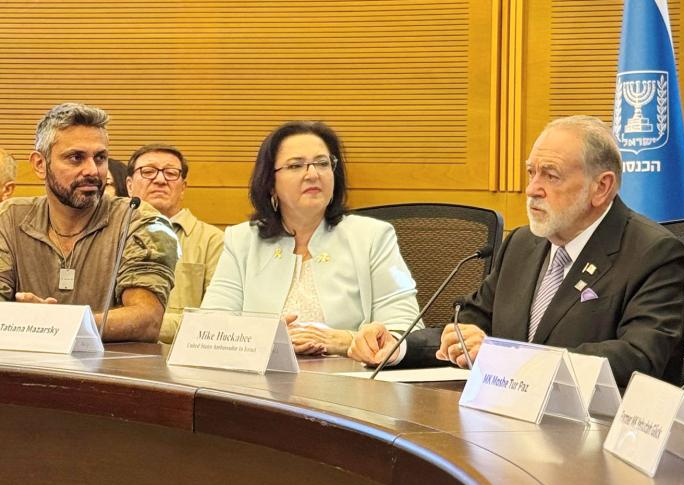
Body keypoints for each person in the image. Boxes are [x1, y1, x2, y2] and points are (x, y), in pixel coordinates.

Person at [349, 115, 684, 387]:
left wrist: (509, 360)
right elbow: (470, 326)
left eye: (550, 176)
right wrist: (398, 347)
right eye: (531, 172)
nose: (531, 189)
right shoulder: (524, 243)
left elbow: (639, 358)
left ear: (601, 187)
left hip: (597, 434)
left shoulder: (651, 252)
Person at [201, 121, 421, 355]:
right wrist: (266, 339)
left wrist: (347, 342)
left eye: (322, 163)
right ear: (270, 184)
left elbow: (407, 329)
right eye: (296, 166)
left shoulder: (372, 237)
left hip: (347, 382)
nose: (313, 174)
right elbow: (209, 329)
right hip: (258, 383)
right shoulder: (242, 240)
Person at [0, 103, 179, 341]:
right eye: (76, 158)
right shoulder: (9, 218)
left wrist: (57, 325)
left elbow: (147, 320)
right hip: (23, 369)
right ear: (40, 164)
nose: (93, 171)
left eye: (100, 157)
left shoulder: (141, 221)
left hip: (111, 373)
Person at [126, 144, 224, 344]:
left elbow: (217, 320)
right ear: (129, 185)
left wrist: (136, 324)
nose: (160, 180)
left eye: (171, 173)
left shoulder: (213, 241)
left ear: (183, 188)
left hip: (180, 360)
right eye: (148, 172)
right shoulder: (111, 236)